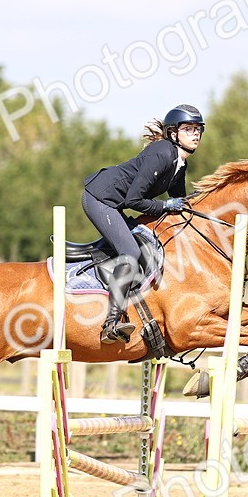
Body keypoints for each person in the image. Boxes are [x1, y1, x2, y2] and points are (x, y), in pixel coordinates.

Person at [82, 104, 205, 343]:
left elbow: (180, 201)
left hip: (115, 204)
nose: (196, 134)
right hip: (100, 199)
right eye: (189, 129)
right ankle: (112, 323)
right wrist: (166, 207)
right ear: (173, 133)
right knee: (130, 251)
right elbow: (135, 200)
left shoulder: (179, 164)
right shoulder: (162, 153)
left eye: (199, 129)